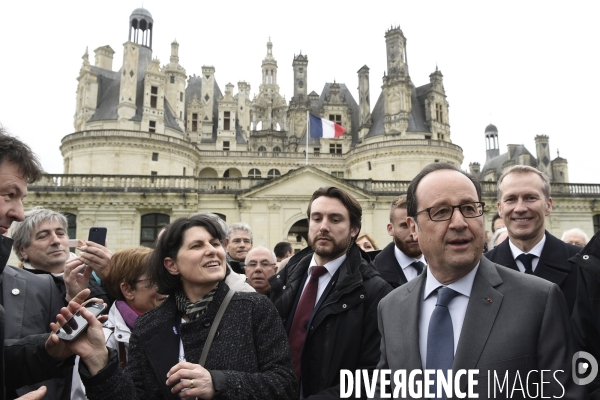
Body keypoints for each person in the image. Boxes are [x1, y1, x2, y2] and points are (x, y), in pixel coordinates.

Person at [374, 162, 584, 398]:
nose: (459, 223)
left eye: (469, 208)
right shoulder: (390, 307)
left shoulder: (539, 300)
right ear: (414, 227)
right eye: (441, 212)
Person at [63, 214, 297, 399]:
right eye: (197, 246)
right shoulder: (148, 325)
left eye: (215, 243)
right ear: (171, 265)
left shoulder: (255, 309)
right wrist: (98, 361)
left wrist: (218, 383)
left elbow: (285, 385)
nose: (212, 250)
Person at [269, 186, 392, 398]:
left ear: (354, 229)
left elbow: (375, 377)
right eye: (317, 218)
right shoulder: (284, 278)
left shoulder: (375, 291)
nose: (323, 227)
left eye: (335, 220)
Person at [0, 129, 96, 400]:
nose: (17, 212)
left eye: (61, 234)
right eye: (8, 194)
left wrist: (48, 350)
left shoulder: (64, 286)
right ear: (23, 251)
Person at [71, 247, 167, 399]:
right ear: (128, 289)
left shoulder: (178, 324)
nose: (165, 287)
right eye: (155, 280)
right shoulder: (101, 340)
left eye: (167, 278)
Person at [485, 165, 581, 314]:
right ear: (500, 209)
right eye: (511, 199)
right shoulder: (482, 269)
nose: (520, 208)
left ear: (548, 205)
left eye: (530, 198)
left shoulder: (582, 266)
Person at [11, 207, 112, 305]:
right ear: (22, 250)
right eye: (43, 236)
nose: (56, 241)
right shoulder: (15, 289)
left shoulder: (95, 273)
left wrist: (113, 276)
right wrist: (72, 300)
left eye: (60, 233)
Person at [373, 194, 425, 288]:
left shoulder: (447, 266)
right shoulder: (372, 275)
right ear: (390, 229)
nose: (413, 232)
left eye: (418, 224)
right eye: (405, 225)